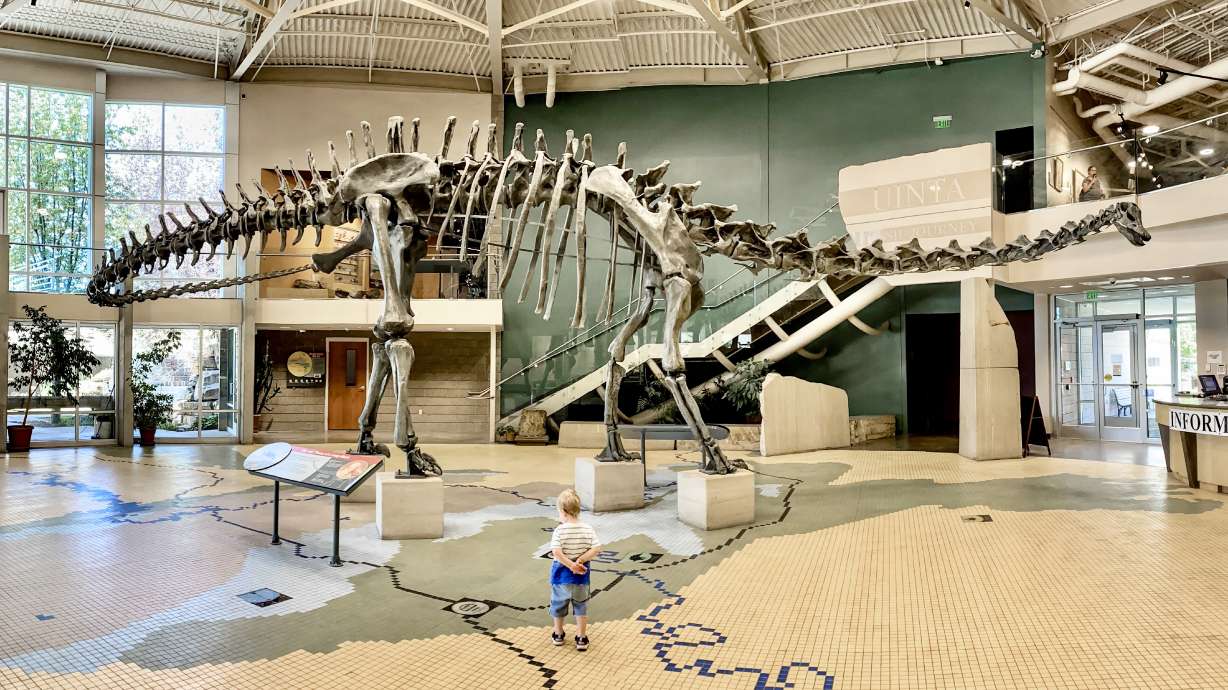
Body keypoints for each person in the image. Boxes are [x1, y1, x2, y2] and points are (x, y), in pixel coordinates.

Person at [549, 488, 602, 651]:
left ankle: (558, 633)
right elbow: (597, 548)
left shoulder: (559, 530)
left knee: (558, 605)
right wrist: (581, 560)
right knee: (581, 606)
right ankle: (581, 637)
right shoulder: (587, 528)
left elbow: (556, 552)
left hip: (561, 576)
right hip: (581, 577)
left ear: (564, 512)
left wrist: (570, 564)